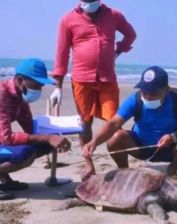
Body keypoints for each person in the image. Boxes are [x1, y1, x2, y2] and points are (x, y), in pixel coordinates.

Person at [0, 58, 72, 200]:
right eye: (36, 85)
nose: (39, 90)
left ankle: (4, 177)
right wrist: (48, 137)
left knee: (46, 145)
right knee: (26, 152)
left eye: (41, 86)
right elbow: (7, 139)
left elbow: (30, 128)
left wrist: (56, 136)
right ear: (20, 80)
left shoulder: (20, 98)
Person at [49, 0, 137, 180]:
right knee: (84, 123)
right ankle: (89, 165)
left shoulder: (113, 15)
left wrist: (119, 51)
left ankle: (123, 167)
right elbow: (62, 52)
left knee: (115, 123)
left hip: (107, 78)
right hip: (81, 79)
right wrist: (58, 86)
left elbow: (130, 34)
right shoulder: (68, 20)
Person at [83, 66, 177, 181]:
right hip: (140, 147)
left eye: (153, 93)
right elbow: (114, 123)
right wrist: (94, 142)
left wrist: (173, 136)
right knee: (115, 138)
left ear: (166, 89)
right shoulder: (136, 99)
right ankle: (124, 171)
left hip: (170, 148)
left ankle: (172, 170)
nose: (148, 97)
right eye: (145, 92)